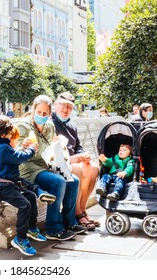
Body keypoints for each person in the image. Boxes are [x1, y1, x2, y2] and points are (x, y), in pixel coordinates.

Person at [17, 95, 86, 242]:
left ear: (49, 114)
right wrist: (23, 146)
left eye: (45, 114)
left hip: (46, 166)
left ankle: (70, 221)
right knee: (58, 181)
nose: (41, 116)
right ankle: (53, 229)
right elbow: (15, 150)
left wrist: (57, 143)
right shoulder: (23, 126)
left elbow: (52, 149)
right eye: (39, 112)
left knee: (73, 180)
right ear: (33, 109)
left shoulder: (49, 126)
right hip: (28, 169)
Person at [0, 116, 46, 256]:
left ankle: (32, 228)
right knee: (24, 205)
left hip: (4, 184)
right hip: (1, 187)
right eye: (10, 133)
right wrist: (31, 150)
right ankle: (21, 238)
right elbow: (18, 158)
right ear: (4, 133)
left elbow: (13, 155)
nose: (11, 135)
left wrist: (23, 149)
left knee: (30, 196)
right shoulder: (2, 147)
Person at [51, 92, 100, 230]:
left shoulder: (72, 125)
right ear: (55, 105)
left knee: (93, 167)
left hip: (72, 162)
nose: (66, 110)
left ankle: (82, 210)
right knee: (77, 169)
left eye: (70, 107)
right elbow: (51, 153)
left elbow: (77, 146)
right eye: (63, 106)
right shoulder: (49, 124)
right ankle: (76, 213)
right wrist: (73, 158)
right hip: (57, 163)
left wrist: (84, 155)